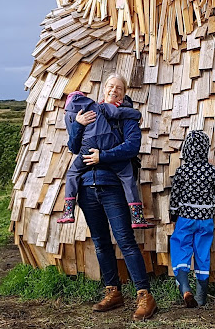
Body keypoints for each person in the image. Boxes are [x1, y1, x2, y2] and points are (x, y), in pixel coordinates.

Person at [72, 73, 157, 321]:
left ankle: (145, 296)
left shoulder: (127, 116)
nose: (114, 90)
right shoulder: (90, 113)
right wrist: (77, 124)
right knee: (100, 242)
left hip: (112, 187)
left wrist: (103, 157)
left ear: (124, 92)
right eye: (110, 86)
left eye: (119, 88)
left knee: (125, 241)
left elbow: (132, 146)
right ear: (103, 88)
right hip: (88, 187)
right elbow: (74, 147)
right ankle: (113, 291)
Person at [58, 90, 154, 228]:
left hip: (88, 148)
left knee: (73, 173)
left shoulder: (69, 115)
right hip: (109, 142)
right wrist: (137, 114)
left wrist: (77, 125)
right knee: (127, 176)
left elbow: (74, 148)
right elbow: (117, 113)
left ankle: (68, 211)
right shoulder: (98, 107)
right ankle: (137, 216)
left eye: (119, 88)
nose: (114, 90)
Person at [169, 130, 215, 307]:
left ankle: (185, 289)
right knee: (202, 252)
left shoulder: (182, 171)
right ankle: (201, 297)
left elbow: (175, 196)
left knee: (181, 247)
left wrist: (173, 213)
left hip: (185, 218)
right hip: (205, 219)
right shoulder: (211, 171)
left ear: (186, 149)